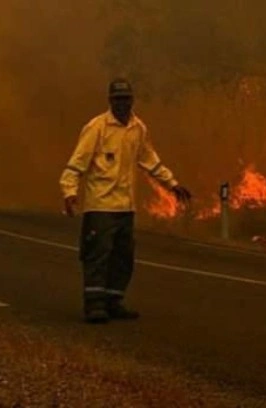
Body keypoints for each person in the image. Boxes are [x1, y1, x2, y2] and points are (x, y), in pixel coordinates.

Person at [59, 78, 191, 323]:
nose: (123, 104)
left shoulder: (138, 128)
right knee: (98, 255)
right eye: (118, 99)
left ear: (132, 100)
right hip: (100, 206)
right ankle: (94, 305)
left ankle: (114, 300)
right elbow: (76, 164)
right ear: (110, 100)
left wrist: (172, 184)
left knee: (122, 257)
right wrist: (70, 192)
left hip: (126, 207)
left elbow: (150, 160)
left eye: (126, 99)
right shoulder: (96, 128)